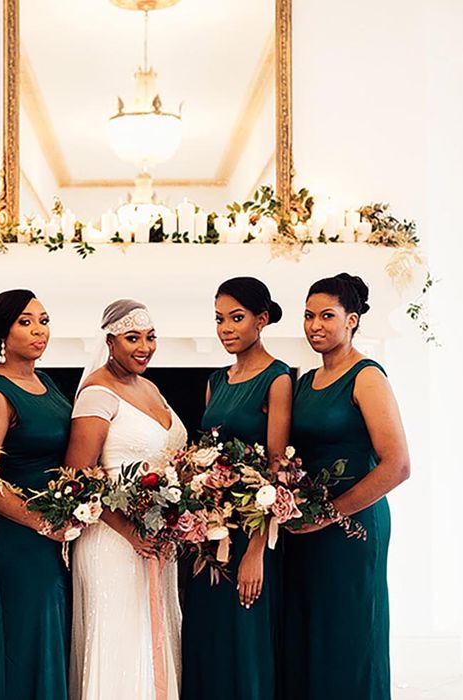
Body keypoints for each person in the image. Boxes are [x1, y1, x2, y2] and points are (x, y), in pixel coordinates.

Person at [283, 273, 410, 700]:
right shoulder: (302, 383)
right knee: (311, 632)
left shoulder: (367, 377)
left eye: (326, 315)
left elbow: (397, 465)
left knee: (351, 635)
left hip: (353, 529)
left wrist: (329, 514)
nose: (314, 325)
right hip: (307, 528)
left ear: (351, 320)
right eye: (307, 316)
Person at [65, 299, 186, 700]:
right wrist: (130, 530)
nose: (144, 347)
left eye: (151, 337)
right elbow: (79, 476)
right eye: (132, 338)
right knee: (121, 636)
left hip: (154, 536)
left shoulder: (149, 386)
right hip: (113, 539)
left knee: (154, 631)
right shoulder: (96, 392)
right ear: (110, 341)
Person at [182, 276, 292, 700]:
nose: (226, 328)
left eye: (236, 318)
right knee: (206, 637)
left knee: (246, 641)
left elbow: (276, 470)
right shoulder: (216, 380)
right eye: (219, 319)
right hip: (208, 532)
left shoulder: (278, 379)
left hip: (251, 532)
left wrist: (255, 552)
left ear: (261, 320)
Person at [0, 289, 72, 700]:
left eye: (43, 321)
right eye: (26, 322)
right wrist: (39, 519)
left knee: (49, 636)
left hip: (53, 532)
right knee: (23, 640)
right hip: (15, 535)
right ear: (3, 332)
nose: (38, 331)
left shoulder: (44, 381)